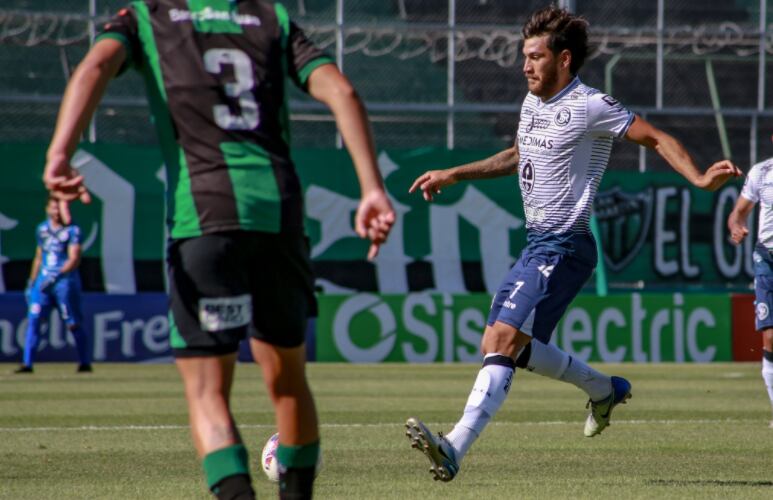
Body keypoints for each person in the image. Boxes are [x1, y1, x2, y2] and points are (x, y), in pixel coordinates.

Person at [42, 1, 395, 499]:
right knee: (289, 382)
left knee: (207, 393)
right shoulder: (271, 17)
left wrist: (60, 153)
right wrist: (372, 188)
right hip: (279, 217)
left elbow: (95, 65)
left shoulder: (148, 16)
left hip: (202, 220)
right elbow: (342, 89)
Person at [405, 5, 741, 482]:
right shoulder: (531, 104)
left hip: (565, 244)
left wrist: (700, 178)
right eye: (524, 56)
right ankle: (604, 389)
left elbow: (656, 137)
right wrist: (456, 173)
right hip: (537, 243)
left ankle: (454, 446)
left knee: (501, 339)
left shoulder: (591, 106)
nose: (526, 66)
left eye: (535, 56)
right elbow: (519, 153)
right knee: (509, 346)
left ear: (563, 60)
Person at [15, 197, 92, 374]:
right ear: (47, 209)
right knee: (34, 320)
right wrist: (32, 281)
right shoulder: (42, 229)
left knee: (72, 323)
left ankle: (84, 362)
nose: (57, 212)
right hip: (42, 284)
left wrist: (57, 276)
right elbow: (39, 257)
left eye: (60, 209)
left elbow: (74, 258)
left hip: (64, 283)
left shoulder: (73, 230)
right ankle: (27, 364)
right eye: (54, 208)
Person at [727, 133, 773, 428]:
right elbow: (738, 213)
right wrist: (736, 226)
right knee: (770, 336)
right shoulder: (762, 172)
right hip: (767, 258)